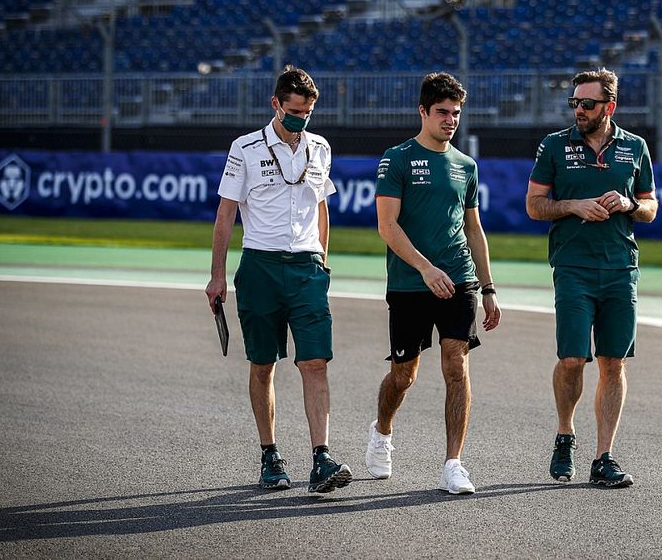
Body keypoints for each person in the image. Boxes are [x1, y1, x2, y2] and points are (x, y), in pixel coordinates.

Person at [205, 65, 352, 495]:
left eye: (307, 113)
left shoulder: (320, 147)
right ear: (276, 104)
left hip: (307, 268)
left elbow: (323, 207)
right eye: (293, 112)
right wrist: (217, 276)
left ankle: (321, 458)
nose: (300, 119)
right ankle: (270, 453)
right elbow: (225, 215)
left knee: (315, 361)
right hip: (260, 266)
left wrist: (323, 260)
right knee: (263, 364)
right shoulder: (245, 148)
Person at [364, 71, 502, 495]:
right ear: (422, 111)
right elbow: (387, 226)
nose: (450, 120)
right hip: (410, 281)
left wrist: (488, 287)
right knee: (403, 375)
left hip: (459, 280)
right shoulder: (397, 158)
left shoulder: (466, 165)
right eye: (442, 112)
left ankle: (453, 464)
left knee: (456, 367)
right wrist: (425, 268)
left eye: (456, 113)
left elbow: (474, 229)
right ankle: (382, 430)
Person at [525, 67, 658, 488]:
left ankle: (604, 457)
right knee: (571, 359)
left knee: (613, 361)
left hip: (621, 267)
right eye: (575, 103)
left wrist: (628, 203)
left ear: (609, 106)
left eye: (588, 104)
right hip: (573, 268)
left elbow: (651, 207)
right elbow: (534, 205)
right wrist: (574, 206)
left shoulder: (635, 147)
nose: (579, 110)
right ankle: (565, 434)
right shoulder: (554, 145)